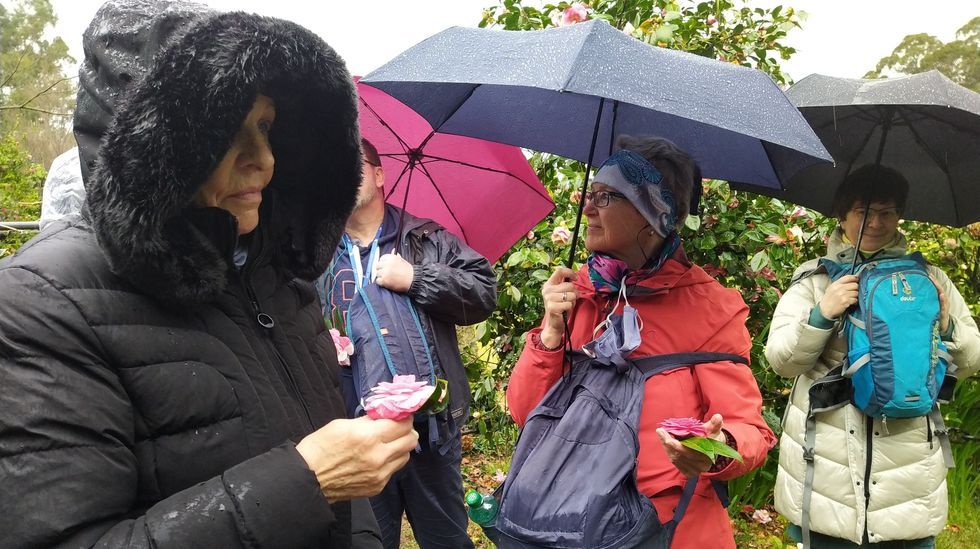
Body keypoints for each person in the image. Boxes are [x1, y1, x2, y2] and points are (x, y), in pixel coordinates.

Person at [0, 2, 418, 547]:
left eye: (265, 125)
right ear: (152, 146)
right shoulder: (43, 303)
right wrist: (306, 481)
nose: (264, 159)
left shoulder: (277, 277)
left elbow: (339, 476)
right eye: (225, 128)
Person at [507, 135, 777, 549]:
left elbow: (749, 429)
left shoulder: (709, 309)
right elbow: (527, 413)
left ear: (654, 212)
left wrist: (716, 448)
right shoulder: (580, 294)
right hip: (568, 524)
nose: (588, 207)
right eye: (590, 192)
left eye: (606, 196)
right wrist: (550, 333)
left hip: (665, 530)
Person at [765, 165, 980, 548]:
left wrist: (947, 328)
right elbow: (783, 361)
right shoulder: (815, 280)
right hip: (827, 478)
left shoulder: (930, 281)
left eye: (887, 212)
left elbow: (971, 362)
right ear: (843, 214)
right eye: (863, 211)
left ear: (899, 216)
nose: (875, 222)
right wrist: (822, 314)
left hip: (907, 483)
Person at [315, 137, 497, 548]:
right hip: (356, 435)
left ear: (380, 175)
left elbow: (484, 291)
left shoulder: (427, 240)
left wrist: (417, 278)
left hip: (428, 430)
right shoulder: (318, 256)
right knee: (368, 542)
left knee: (446, 540)